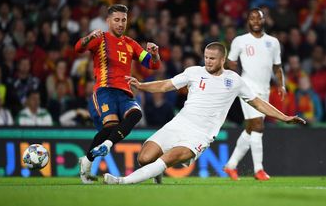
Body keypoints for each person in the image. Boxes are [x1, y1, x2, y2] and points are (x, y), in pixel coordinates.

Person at [102, 42, 305, 185]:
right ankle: (156, 174)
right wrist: (142, 86)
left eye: (212, 58)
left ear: (223, 59)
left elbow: (258, 103)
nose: (207, 61)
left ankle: (122, 181)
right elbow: (166, 85)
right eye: (206, 57)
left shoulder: (234, 80)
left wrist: (284, 117)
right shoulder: (193, 72)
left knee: (169, 158)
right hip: (179, 123)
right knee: (144, 159)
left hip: (200, 134)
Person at [74, 4, 161, 184]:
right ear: (108, 21)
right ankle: (88, 162)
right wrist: (89, 37)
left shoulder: (131, 43)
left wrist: (155, 54)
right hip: (105, 90)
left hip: (125, 92)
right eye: (117, 20)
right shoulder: (100, 39)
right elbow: (78, 48)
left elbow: (153, 65)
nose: (121, 24)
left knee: (136, 114)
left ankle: (102, 148)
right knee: (110, 128)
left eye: (124, 20)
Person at [223, 8, 286, 181]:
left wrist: (281, 85)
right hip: (247, 88)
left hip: (264, 90)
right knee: (258, 125)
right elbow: (231, 63)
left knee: (251, 129)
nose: (255, 21)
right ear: (248, 21)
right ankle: (259, 170)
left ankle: (230, 165)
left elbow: (277, 66)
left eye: (258, 18)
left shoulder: (273, 42)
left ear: (264, 20)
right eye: (252, 18)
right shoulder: (240, 41)